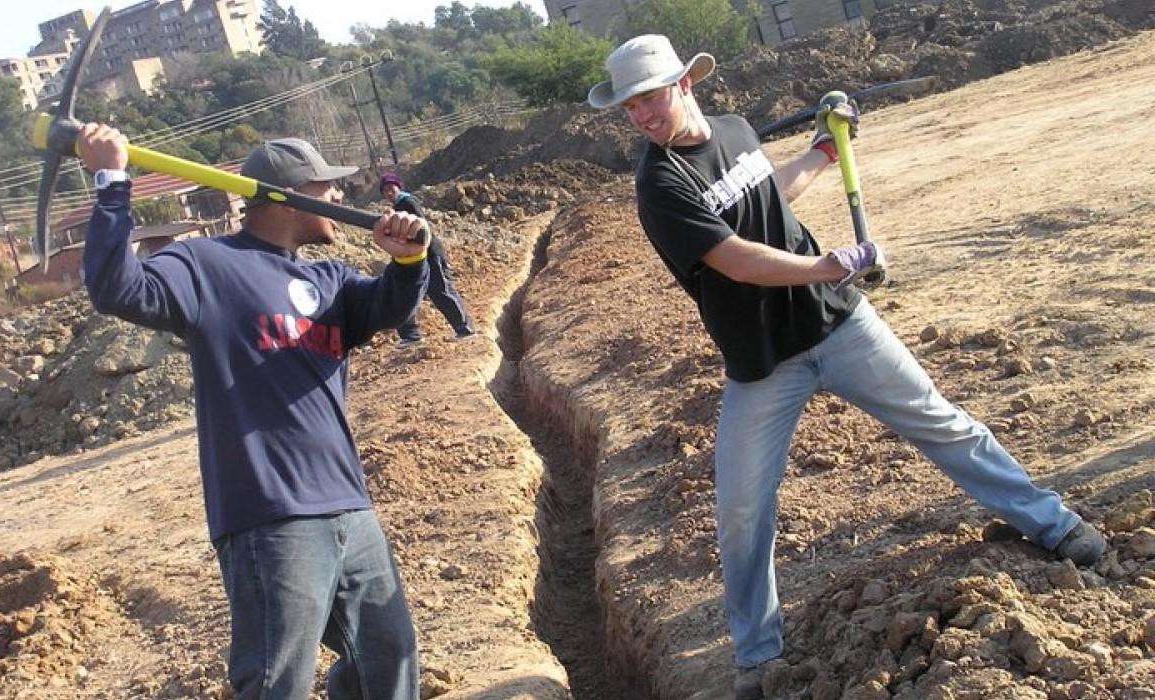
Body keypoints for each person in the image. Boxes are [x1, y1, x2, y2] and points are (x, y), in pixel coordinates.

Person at [587, 34, 1107, 699]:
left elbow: (766, 194)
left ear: (685, 84)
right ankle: (756, 653)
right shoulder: (658, 184)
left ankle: (1055, 524)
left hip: (838, 325)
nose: (641, 116)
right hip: (763, 361)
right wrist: (828, 265)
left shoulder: (735, 130)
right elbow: (735, 257)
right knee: (742, 507)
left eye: (649, 98)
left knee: (940, 421)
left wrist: (824, 152)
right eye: (630, 108)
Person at [78, 124, 429, 700]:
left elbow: (390, 304)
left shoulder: (330, 280)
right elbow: (116, 287)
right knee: (276, 682)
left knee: (388, 662)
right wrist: (111, 181)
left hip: (348, 504)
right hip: (271, 517)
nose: (340, 199)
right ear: (292, 195)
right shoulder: (205, 266)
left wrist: (409, 259)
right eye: (328, 187)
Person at [379, 172, 476, 345]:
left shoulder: (408, 202)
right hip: (412, 256)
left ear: (398, 187)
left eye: (391, 188)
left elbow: (421, 229)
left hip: (429, 253)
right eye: (385, 190)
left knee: (441, 290)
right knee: (404, 293)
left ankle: (465, 329)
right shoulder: (397, 207)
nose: (388, 192)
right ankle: (411, 336)